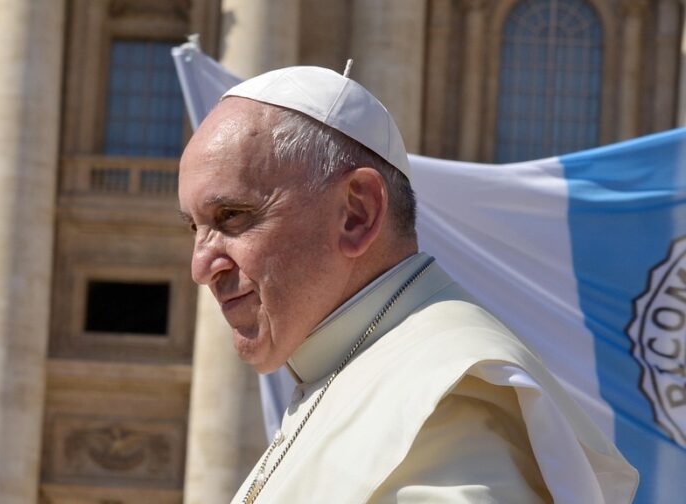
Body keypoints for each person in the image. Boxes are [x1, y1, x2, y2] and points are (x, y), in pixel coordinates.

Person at [177, 66, 638, 504]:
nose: (201, 266)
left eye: (231, 216)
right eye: (195, 228)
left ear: (356, 214)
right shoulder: (341, 368)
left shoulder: (451, 402)